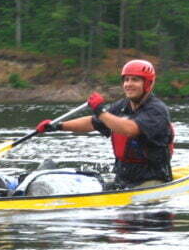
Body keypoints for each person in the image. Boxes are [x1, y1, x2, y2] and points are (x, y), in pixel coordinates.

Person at [35, 59, 173, 189]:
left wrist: (100, 111)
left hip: (152, 180)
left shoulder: (157, 110)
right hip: (123, 179)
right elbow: (92, 123)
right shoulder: (122, 106)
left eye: (135, 80)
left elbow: (130, 129)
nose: (128, 84)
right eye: (126, 80)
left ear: (147, 84)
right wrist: (57, 126)